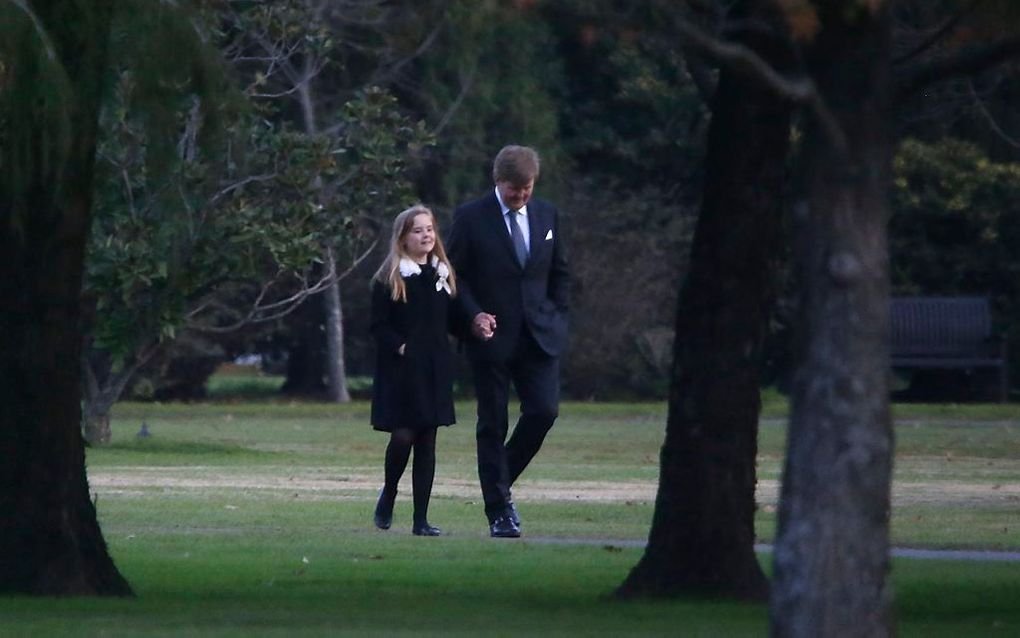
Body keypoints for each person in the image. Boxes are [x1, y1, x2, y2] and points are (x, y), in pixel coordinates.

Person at [447, 145, 570, 538]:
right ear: (497, 181)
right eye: (513, 189)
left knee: (544, 412)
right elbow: (454, 276)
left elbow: (559, 272)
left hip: (539, 336)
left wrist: (558, 315)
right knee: (493, 422)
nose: (520, 196)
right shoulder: (470, 218)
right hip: (491, 337)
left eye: (527, 188)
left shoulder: (547, 214)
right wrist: (473, 316)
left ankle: (498, 482)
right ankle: (499, 510)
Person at [369, 204, 457, 537]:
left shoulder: (442, 274)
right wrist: (401, 347)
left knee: (428, 441)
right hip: (402, 371)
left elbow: (453, 316)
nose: (425, 236)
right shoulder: (391, 278)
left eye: (430, 229)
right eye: (417, 230)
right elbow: (378, 326)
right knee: (404, 435)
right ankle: (389, 493)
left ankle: (421, 520)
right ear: (403, 238)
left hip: (434, 368)